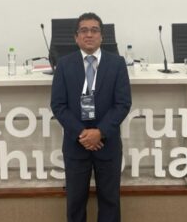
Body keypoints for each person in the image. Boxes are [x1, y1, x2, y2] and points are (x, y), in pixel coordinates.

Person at [51, 13, 131, 222]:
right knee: (75, 202)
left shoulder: (117, 63)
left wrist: (100, 132)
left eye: (94, 30)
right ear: (76, 37)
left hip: (108, 144)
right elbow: (58, 105)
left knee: (110, 201)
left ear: (101, 37)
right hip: (76, 144)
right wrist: (83, 134)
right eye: (83, 31)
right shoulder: (64, 65)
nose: (89, 35)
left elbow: (123, 103)